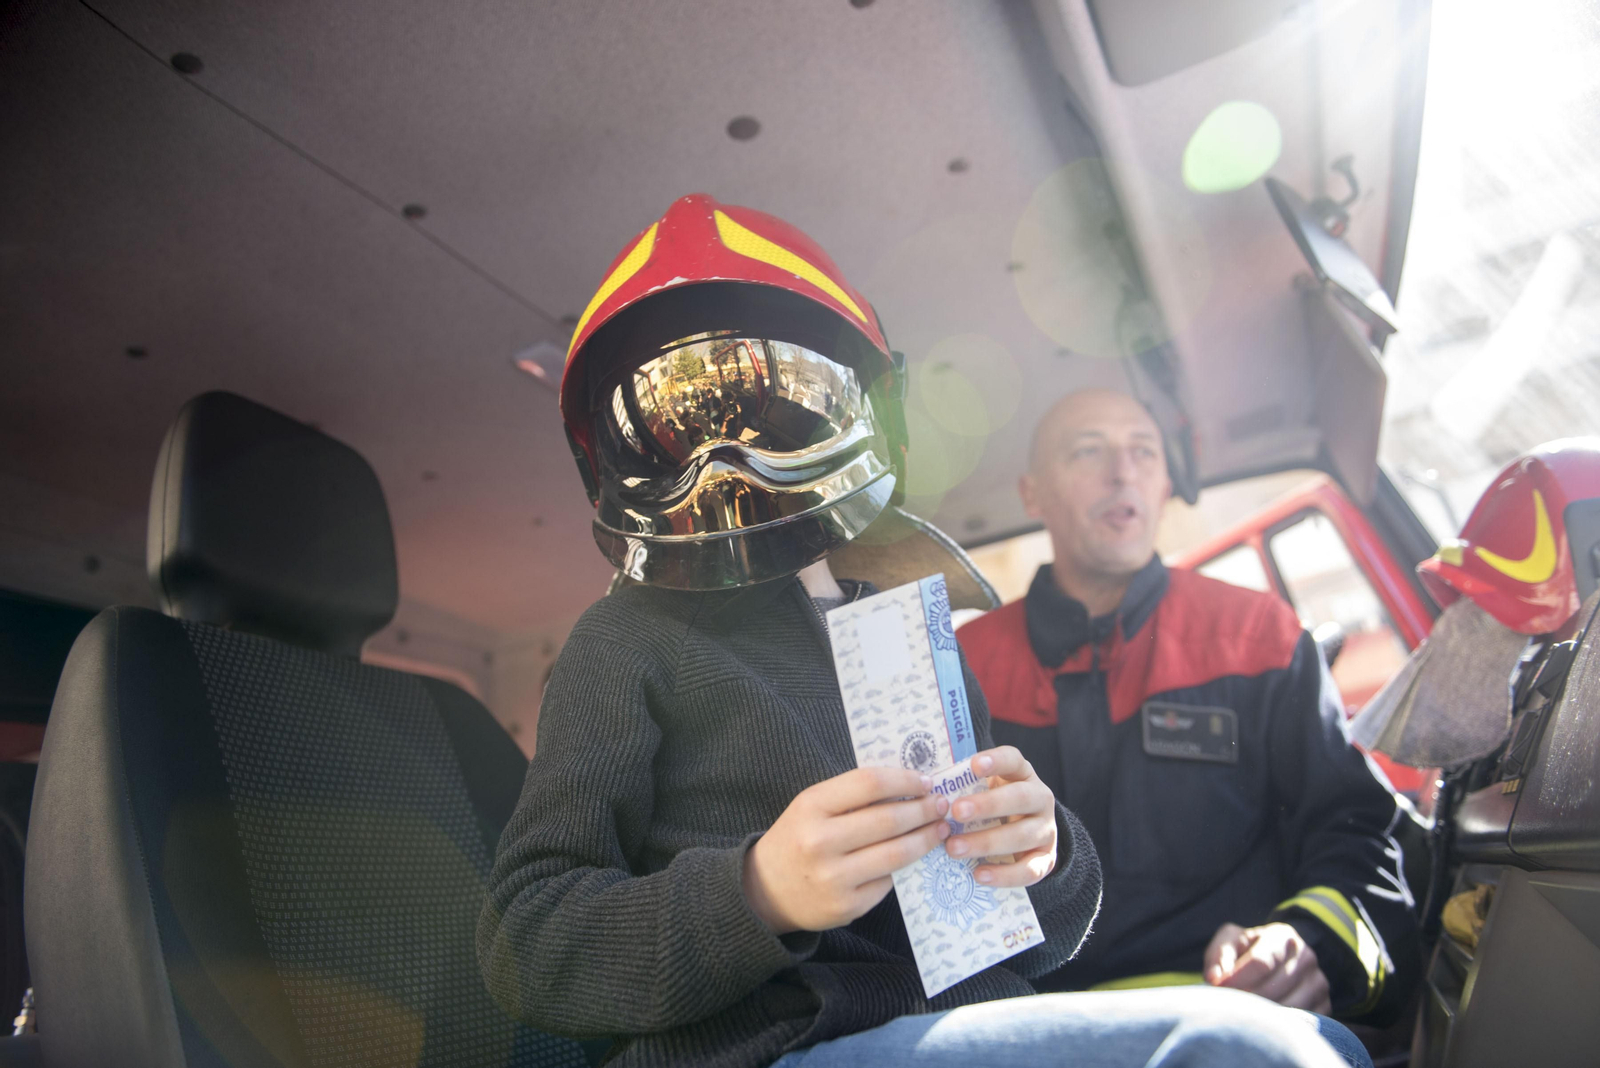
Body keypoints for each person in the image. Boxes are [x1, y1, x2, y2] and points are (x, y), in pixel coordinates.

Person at [477, 195, 1368, 1068]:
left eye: (772, 404)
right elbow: (525, 942)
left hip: (966, 1020)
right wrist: (756, 892)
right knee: (1250, 1051)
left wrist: (1047, 856)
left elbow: (1031, 942)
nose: (727, 459)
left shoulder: (903, 623)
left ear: (865, 404)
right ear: (607, 454)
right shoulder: (624, 640)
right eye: (672, 425)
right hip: (772, 1043)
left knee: (1320, 1045)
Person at [956, 389, 1419, 1026]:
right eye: (1088, 451)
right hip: (1024, 1028)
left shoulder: (1258, 635)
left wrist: (1307, 940)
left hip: (1230, 1015)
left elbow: (1354, 829)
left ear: (1165, 485)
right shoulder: (961, 667)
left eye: (1143, 452)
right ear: (1032, 494)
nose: (1122, 472)